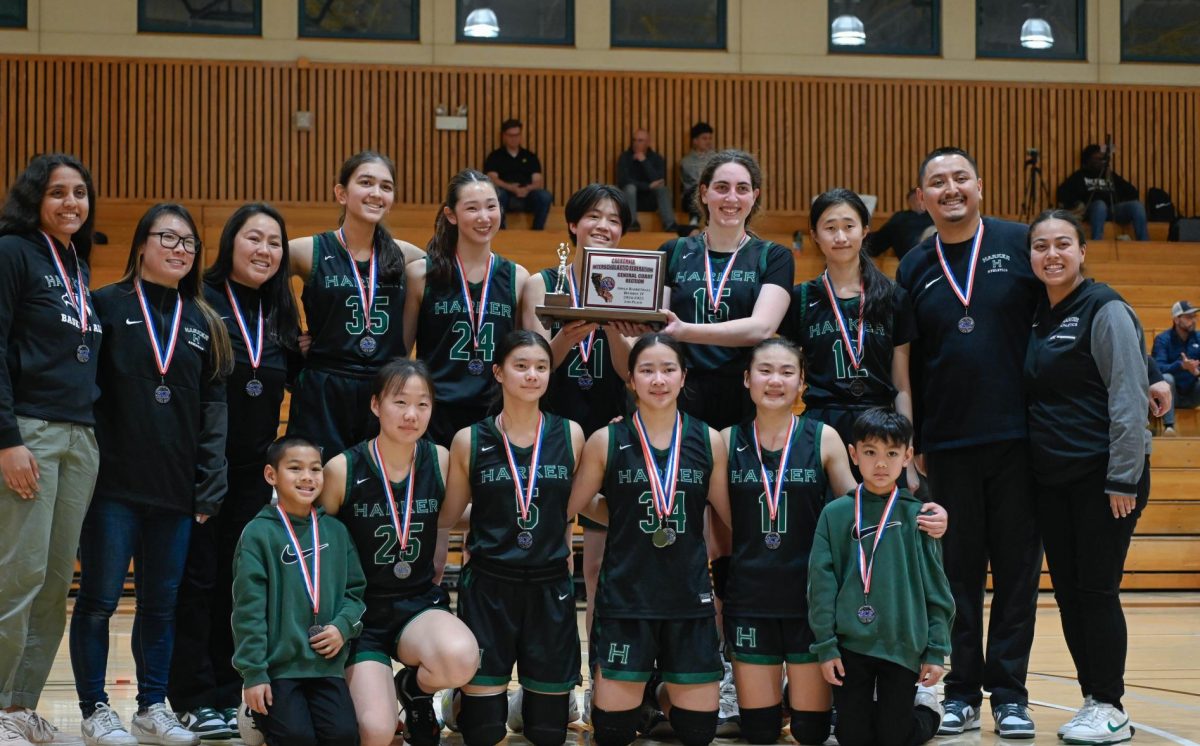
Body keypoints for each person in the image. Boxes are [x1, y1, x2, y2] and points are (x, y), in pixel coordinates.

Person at [718, 339, 948, 745]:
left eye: (787, 372)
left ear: (803, 382)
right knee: (759, 732)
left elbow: (863, 506)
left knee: (811, 733)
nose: (775, 380)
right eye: (765, 370)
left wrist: (928, 513)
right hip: (751, 597)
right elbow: (711, 511)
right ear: (746, 379)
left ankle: (899, 703)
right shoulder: (723, 440)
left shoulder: (822, 437)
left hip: (809, 602)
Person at [70, 203, 232, 746]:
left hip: (176, 493)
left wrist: (210, 481)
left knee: (162, 604)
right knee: (98, 600)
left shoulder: (205, 321)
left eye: (188, 243)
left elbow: (213, 412)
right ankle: (95, 708)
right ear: (141, 245)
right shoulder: (104, 308)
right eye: (168, 238)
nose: (180, 249)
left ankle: (150, 707)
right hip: (111, 488)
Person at [895, 147, 1043, 738]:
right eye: (938, 182)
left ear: (979, 185)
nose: (950, 189)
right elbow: (908, 363)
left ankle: (1009, 694)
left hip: (1020, 439)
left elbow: (1080, 304)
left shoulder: (1021, 242)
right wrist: (913, 445)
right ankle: (959, 693)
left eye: (960, 178)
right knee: (954, 575)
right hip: (947, 444)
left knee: (1015, 574)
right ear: (922, 195)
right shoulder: (913, 264)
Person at [168, 204, 302, 739]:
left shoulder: (279, 311)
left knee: (237, 583)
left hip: (253, 474)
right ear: (229, 243)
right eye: (253, 238)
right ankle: (192, 696)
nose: (264, 250)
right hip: (200, 468)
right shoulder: (198, 300)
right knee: (196, 581)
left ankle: (228, 692)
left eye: (274, 242)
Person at [566, 333, 732, 746]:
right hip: (626, 599)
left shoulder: (708, 440)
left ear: (683, 377)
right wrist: (619, 512)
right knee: (613, 734)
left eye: (668, 369)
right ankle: (643, 691)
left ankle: (656, 690)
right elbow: (572, 504)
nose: (658, 379)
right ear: (630, 379)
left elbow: (731, 516)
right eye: (647, 370)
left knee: (698, 734)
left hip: (688, 600)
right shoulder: (607, 440)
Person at [1024, 210, 1150, 745]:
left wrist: (1123, 477)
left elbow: (1128, 397)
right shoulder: (1037, 314)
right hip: (1053, 479)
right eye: (1041, 245)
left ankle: (1112, 705)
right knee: (1072, 596)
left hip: (1104, 480)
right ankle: (1092, 699)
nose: (1052, 254)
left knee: (1097, 592)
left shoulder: (1106, 308)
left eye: (1063, 244)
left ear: (1082, 252)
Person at [519, 183, 636, 722]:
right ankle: (548, 681)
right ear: (572, 225)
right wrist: (570, 331)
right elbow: (532, 364)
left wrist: (612, 327)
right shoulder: (545, 282)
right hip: (552, 433)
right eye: (593, 217)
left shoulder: (634, 283)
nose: (603, 227)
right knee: (541, 558)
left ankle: (600, 681)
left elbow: (630, 372)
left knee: (598, 568)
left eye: (613, 220)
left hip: (610, 432)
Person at [318, 359, 478, 746]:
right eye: (400, 402)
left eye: (423, 405)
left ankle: (414, 688)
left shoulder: (439, 460)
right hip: (360, 613)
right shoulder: (342, 469)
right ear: (376, 405)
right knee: (375, 732)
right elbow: (314, 543)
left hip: (417, 605)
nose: (411, 415)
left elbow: (458, 514)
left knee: (460, 659)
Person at [440, 331, 585, 746]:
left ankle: (530, 701)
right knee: (482, 734)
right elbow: (449, 516)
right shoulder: (470, 439)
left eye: (541, 367)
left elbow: (568, 506)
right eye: (521, 366)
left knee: (548, 734)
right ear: (499, 372)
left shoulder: (571, 434)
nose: (532, 375)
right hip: (489, 586)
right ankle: (460, 701)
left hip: (549, 587)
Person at [0, 153, 102, 746]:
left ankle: (19, 705)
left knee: (55, 577)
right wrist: (7, 439)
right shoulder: (13, 254)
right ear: (35, 198)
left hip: (79, 437)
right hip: (29, 433)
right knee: (19, 574)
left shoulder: (76, 265)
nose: (71, 202)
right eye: (58, 191)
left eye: (80, 193)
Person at [808, 408, 954, 746]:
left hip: (902, 644)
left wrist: (936, 649)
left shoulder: (918, 515)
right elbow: (821, 583)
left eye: (891, 454)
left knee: (894, 737)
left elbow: (937, 586)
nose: (881, 464)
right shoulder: (835, 514)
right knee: (852, 737)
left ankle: (927, 711)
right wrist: (826, 646)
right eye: (870, 452)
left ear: (907, 457)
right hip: (850, 645)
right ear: (853, 454)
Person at [287, 151, 425, 458]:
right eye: (366, 182)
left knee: (375, 491)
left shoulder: (407, 256)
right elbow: (263, 271)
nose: (377, 193)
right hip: (325, 387)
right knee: (317, 486)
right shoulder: (308, 251)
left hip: (383, 387)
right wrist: (290, 335)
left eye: (386, 187)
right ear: (341, 193)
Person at [232, 436, 366, 746]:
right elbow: (248, 611)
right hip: (278, 668)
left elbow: (356, 592)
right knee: (297, 737)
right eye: (295, 468)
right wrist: (254, 673)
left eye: (315, 469)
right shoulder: (258, 533)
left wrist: (342, 628)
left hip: (326, 667)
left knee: (344, 736)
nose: (307, 477)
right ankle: (252, 713)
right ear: (271, 475)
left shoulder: (335, 530)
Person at [781, 188, 918, 487]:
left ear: (865, 231)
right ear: (815, 235)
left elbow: (902, 386)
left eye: (849, 226)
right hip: (819, 425)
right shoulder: (800, 298)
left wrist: (906, 452)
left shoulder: (894, 297)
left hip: (880, 427)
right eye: (830, 228)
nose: (840, 237)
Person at [660, 149, 794, 432]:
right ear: (704, 192)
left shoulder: (774, 257)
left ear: (754, 196)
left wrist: (685, 331)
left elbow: (761, 328)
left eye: (742, 189)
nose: (731, 198)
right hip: (681, 394)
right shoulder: (673, 252)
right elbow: (655, 326)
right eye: (722, 188)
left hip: (746, 397)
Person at [405, 169, 528, 447]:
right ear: (451, 215)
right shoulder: (421, 275)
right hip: (434, 414)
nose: (484, 217)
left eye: (491, 206)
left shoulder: (517, 278)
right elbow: (401, 353)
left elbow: (525, 353)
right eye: (472, 208)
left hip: (494, 415)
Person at [1056, 144, 1149, 241]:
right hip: (1092, 210)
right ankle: (1097, 242)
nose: (1101, 162)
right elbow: (1062, 192)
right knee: (1100, 205)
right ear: (1087, 160)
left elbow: (1132, 191)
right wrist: (1078, 203)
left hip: (1112, 210)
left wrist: (1120, 200)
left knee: (1137, 206)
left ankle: (1144, 243)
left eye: (1102, 159)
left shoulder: (1110, 175)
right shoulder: (1080, 176)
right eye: (1097, 159)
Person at [484, 119, 553, 230]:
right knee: (497, 194)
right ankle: (500, 231)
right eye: (510, 135)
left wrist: (526, 189)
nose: (514, 138)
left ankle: (537, 231)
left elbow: (538, 180)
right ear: (504, 136)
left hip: (527, 195)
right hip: (506, 194)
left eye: (517, 135)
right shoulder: (495, 156)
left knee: (545, 196)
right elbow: (492, 178)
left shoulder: (530, 156)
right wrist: (511, 188)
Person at [617, 129, 681, 233]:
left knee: (663, 189)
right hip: (631, 201)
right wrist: (648, 186)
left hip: (651, 200)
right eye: (634, 140)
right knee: (630, 188)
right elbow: (623, 181)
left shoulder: (656, 158)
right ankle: (631, 223)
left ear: (647, 142)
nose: (636, 143)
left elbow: (659, 180)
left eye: (640, 140)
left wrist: (644, 161)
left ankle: (670, 224)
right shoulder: (625, 158)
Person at [1152, 300, 1200, 436]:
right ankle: (1169, 427)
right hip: (1169, 396)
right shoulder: (1163, 339)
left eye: (1194, 316)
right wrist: (1180, 365)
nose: (1193, 320)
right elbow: (1158, 368)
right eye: (1188, 317)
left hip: (1193, 393)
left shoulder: (1199, 338)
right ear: (1176, 319)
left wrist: (1197, 372)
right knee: (1167, 379)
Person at [866, 187, 934, 261]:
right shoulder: (899, 218)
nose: (918, 202)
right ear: (909, 203)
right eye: (915, 199)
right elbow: (877, 243)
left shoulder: (936, 216)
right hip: (913, 260)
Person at [679, 123, 714, 226]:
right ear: (695, 141)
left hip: (711, 194)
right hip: (691, 197)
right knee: (699, 188)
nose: (708, 141)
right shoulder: (687, 161)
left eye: (709, 138)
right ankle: (694, 222)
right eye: (704, 138)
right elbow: (699, 180)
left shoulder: (717, 159)